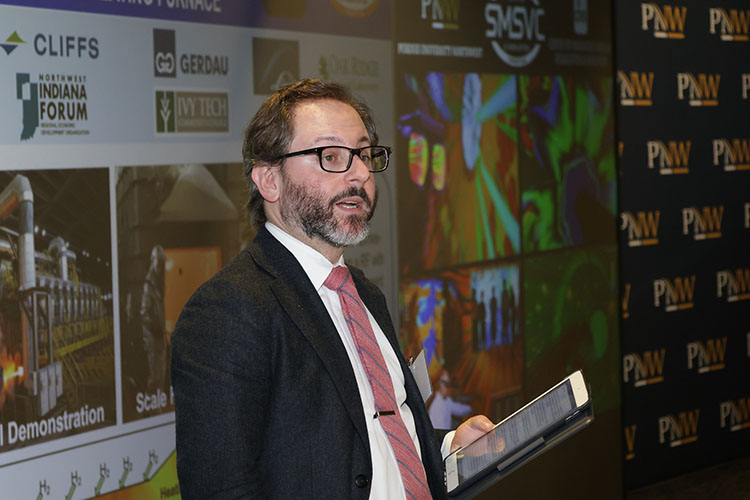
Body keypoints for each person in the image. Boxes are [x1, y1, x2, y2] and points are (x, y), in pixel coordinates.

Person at [170, 79, 493, 500]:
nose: (360, 172)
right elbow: (222, 489)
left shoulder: (363, 294)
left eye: (363, 154)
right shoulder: (227, 310)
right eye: (331, 155)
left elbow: (370, 437)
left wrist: (449, 447)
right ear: (270, 180)